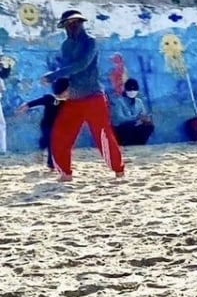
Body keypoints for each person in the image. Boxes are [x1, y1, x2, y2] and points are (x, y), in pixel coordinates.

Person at [45, 10, 124, 181]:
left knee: (103, 135)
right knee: (60, 134)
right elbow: (68, 69)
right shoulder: (66, 45)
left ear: (81, 23)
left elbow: (81, 65)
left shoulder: (90, 42)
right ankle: (65, 173)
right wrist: (62, 90)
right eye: (69, 23)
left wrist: (53, 76)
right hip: (73, 98)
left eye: (75, 23)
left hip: (93, 96)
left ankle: (118, 170)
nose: (72, 26)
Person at [16, 77, 71, 170]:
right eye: (68, 90)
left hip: (58, 127)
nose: (69, 92)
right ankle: (40, 151)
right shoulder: (49, 98)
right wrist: (25, 106)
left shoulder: (68, 102)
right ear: (64, 90)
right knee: (48, 138)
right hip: (47, 124)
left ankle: (51, 163)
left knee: (53, 145)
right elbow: (36, 102)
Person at [111, 78, 155, 146]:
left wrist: (144, 120)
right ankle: (125, 143)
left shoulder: (139, 102)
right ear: (125, 90)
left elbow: (143, 114)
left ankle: (140, 143)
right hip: (121, 128)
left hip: (136, 124)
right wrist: (135, 119)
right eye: (130, 89)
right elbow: (119, 119)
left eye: (134, 89)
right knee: (130, 125)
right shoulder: (119, 102)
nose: (132, 91)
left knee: (149, 126)